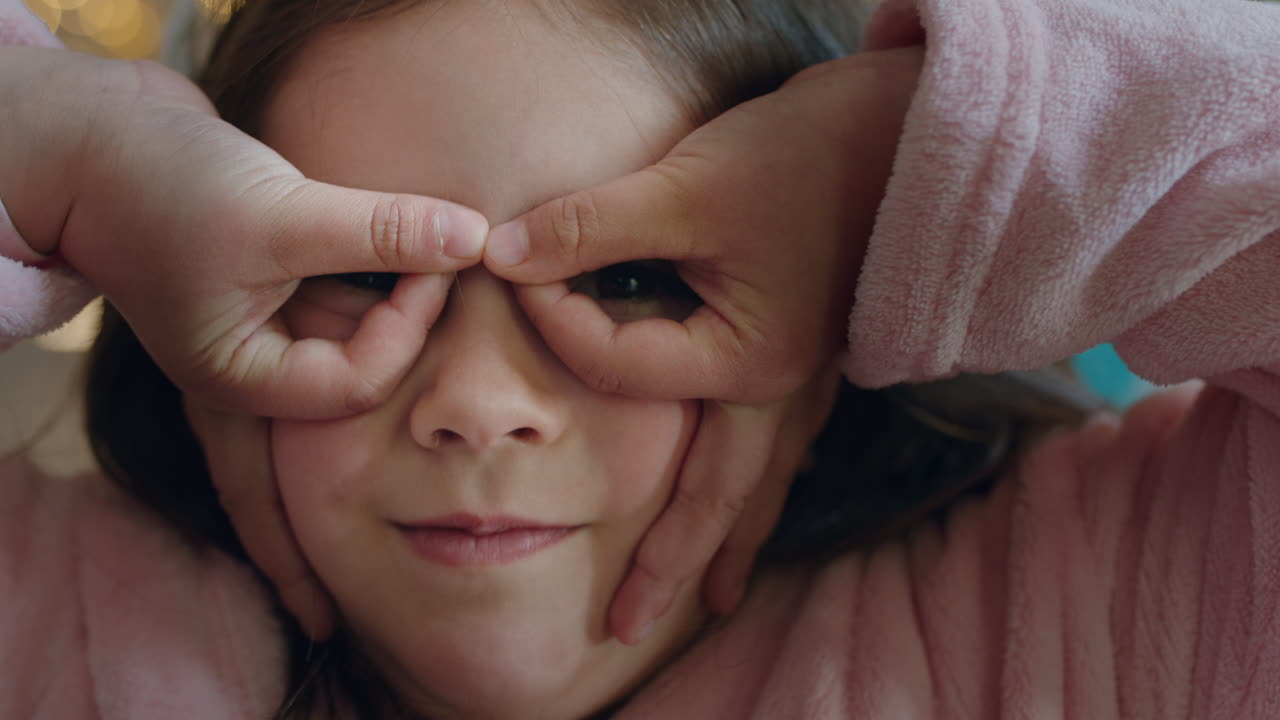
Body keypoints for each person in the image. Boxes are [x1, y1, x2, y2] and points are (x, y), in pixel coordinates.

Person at [2, 2, 1278, 720]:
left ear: (831, 315)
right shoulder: (51, 626)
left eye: (627, 278)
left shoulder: (1085, 616)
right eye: (359, 274)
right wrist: (71, 146)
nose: (476, 406)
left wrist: (914, 166)